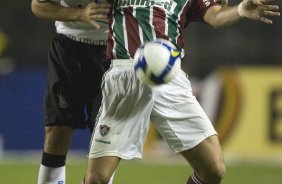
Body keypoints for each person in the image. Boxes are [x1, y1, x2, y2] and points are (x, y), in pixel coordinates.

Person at [83, 0, 280, 184]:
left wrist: (240, 10)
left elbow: (215, 17)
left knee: (213, 169)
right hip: (126, 76)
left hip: (170, 78)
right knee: (96, 179)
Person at [30, 0, 114, 184]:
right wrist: (80, 14)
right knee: (57, 131)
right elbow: (38, 5)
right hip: (68, 49)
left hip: (114, 53)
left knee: (105, 137)